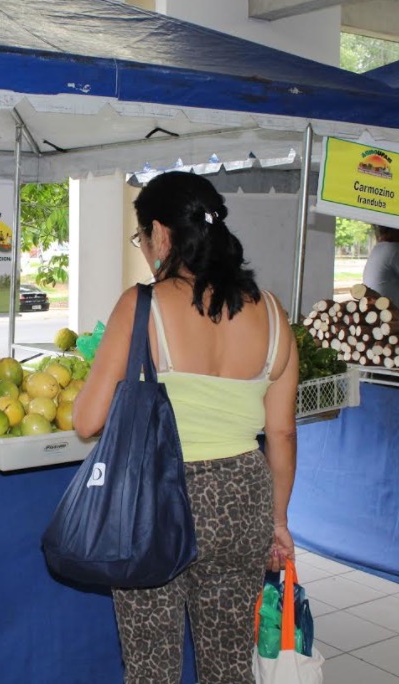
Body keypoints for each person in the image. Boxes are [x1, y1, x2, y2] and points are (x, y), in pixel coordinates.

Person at [72, 171, 297, 683]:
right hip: (243, 498)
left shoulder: (142, 304)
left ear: (162, 233)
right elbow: (281, 433)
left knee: (152, 666)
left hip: (157, 498)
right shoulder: (274, 314)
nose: (146, 250)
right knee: (228, 664)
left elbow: (87, 421)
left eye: (143, 238)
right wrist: (277, 521)